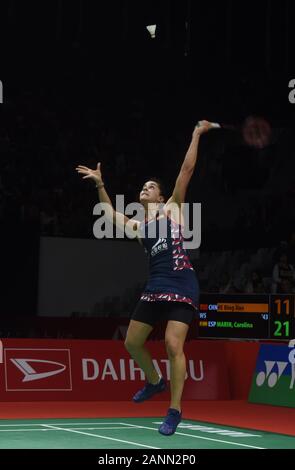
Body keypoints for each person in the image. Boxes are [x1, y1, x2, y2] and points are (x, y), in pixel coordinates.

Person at [76, 120, 214, 435]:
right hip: (155, 288)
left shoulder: (173, 209)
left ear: (161, 194)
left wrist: (194, 134)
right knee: (132, 342)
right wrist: (100, 184)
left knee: (171, 344)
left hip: (181, 284)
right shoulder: (139, 228)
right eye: (143, 187)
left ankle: (175, 410)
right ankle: (154, 381)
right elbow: (109, 215)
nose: (145, 188)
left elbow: (186, 170)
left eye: (151, 186)